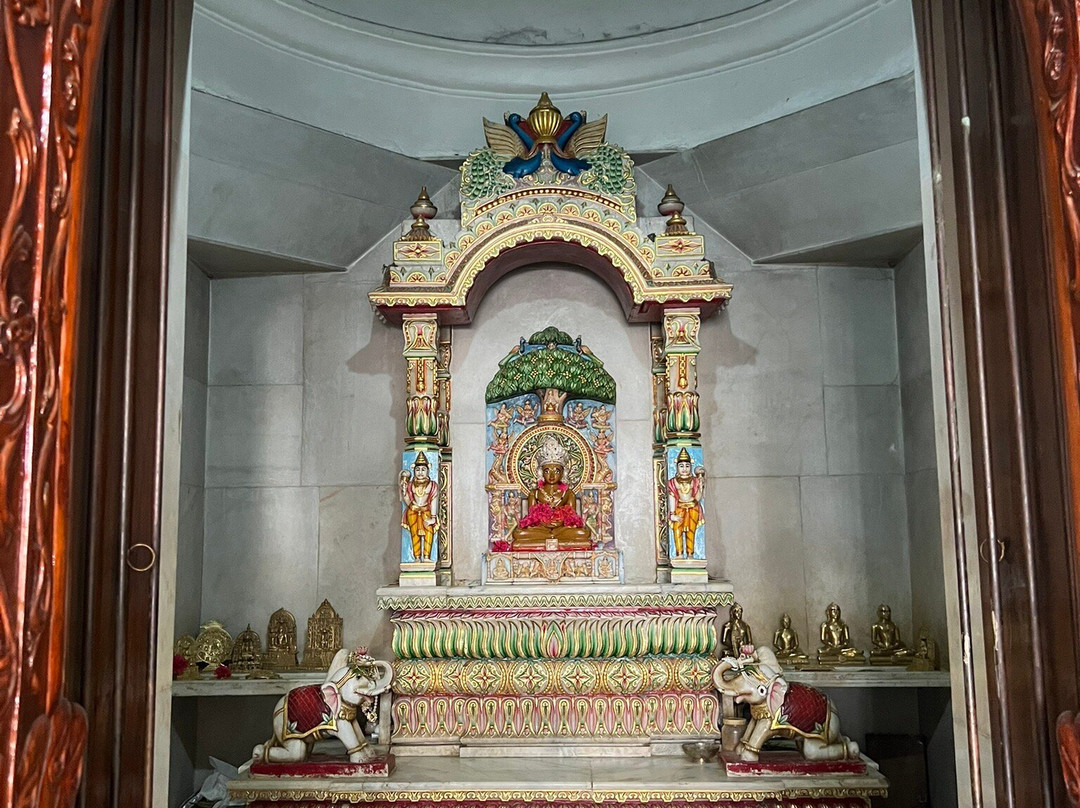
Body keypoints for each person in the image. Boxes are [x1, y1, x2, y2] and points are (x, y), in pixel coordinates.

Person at [511, 436, 592, 550]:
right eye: (547, 471)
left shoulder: (568, 494)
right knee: (519, 534)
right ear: (541, 473)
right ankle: (551, 537)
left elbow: (571, 516)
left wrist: (560, 522)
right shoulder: (535, 493)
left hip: (562, 529)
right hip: (541, 529)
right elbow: (532, 516)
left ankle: (551, 537)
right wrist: (543, 523)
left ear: (563, 473)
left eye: (557, 471)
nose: (552, 476)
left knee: (583, 533)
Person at [400, 452, 439, 561]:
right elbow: (407, 498)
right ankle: (417, 557)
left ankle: (427, 557)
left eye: (423, 469)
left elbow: (434, 501)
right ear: (414, 471)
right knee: (414, 533)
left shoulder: (432, 485)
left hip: (426, 511)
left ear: (428, 470)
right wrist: (404, 491)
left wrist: (433, 517)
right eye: (417, 470)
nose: (420, 472)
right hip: (413, 511)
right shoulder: (410, 485)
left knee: (428, 532)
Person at [667, 447, 705, 557]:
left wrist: (701, 487)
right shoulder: (673, 482)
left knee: (691, 531)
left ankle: (690, 555)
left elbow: (697, 498)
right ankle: (679, 554)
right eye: (681, 466)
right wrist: (672, 514)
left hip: (693, 507)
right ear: (677, 467)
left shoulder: (694, 481)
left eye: (687, 466)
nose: (684, 469)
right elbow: (672, 497)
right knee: (677, 530)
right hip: (679, 508)